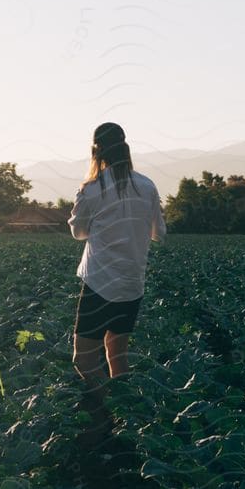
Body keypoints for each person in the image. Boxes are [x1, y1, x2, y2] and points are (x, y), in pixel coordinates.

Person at [68, 122, 165, 388]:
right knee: (118, 357)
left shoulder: (92, 188)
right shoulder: (147, 186)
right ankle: (127, 414)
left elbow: (78, 232)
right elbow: (160, 233)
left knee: (84, 360)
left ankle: (108, 407)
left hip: (99, 283)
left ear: (96, 151)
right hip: (132, 284)